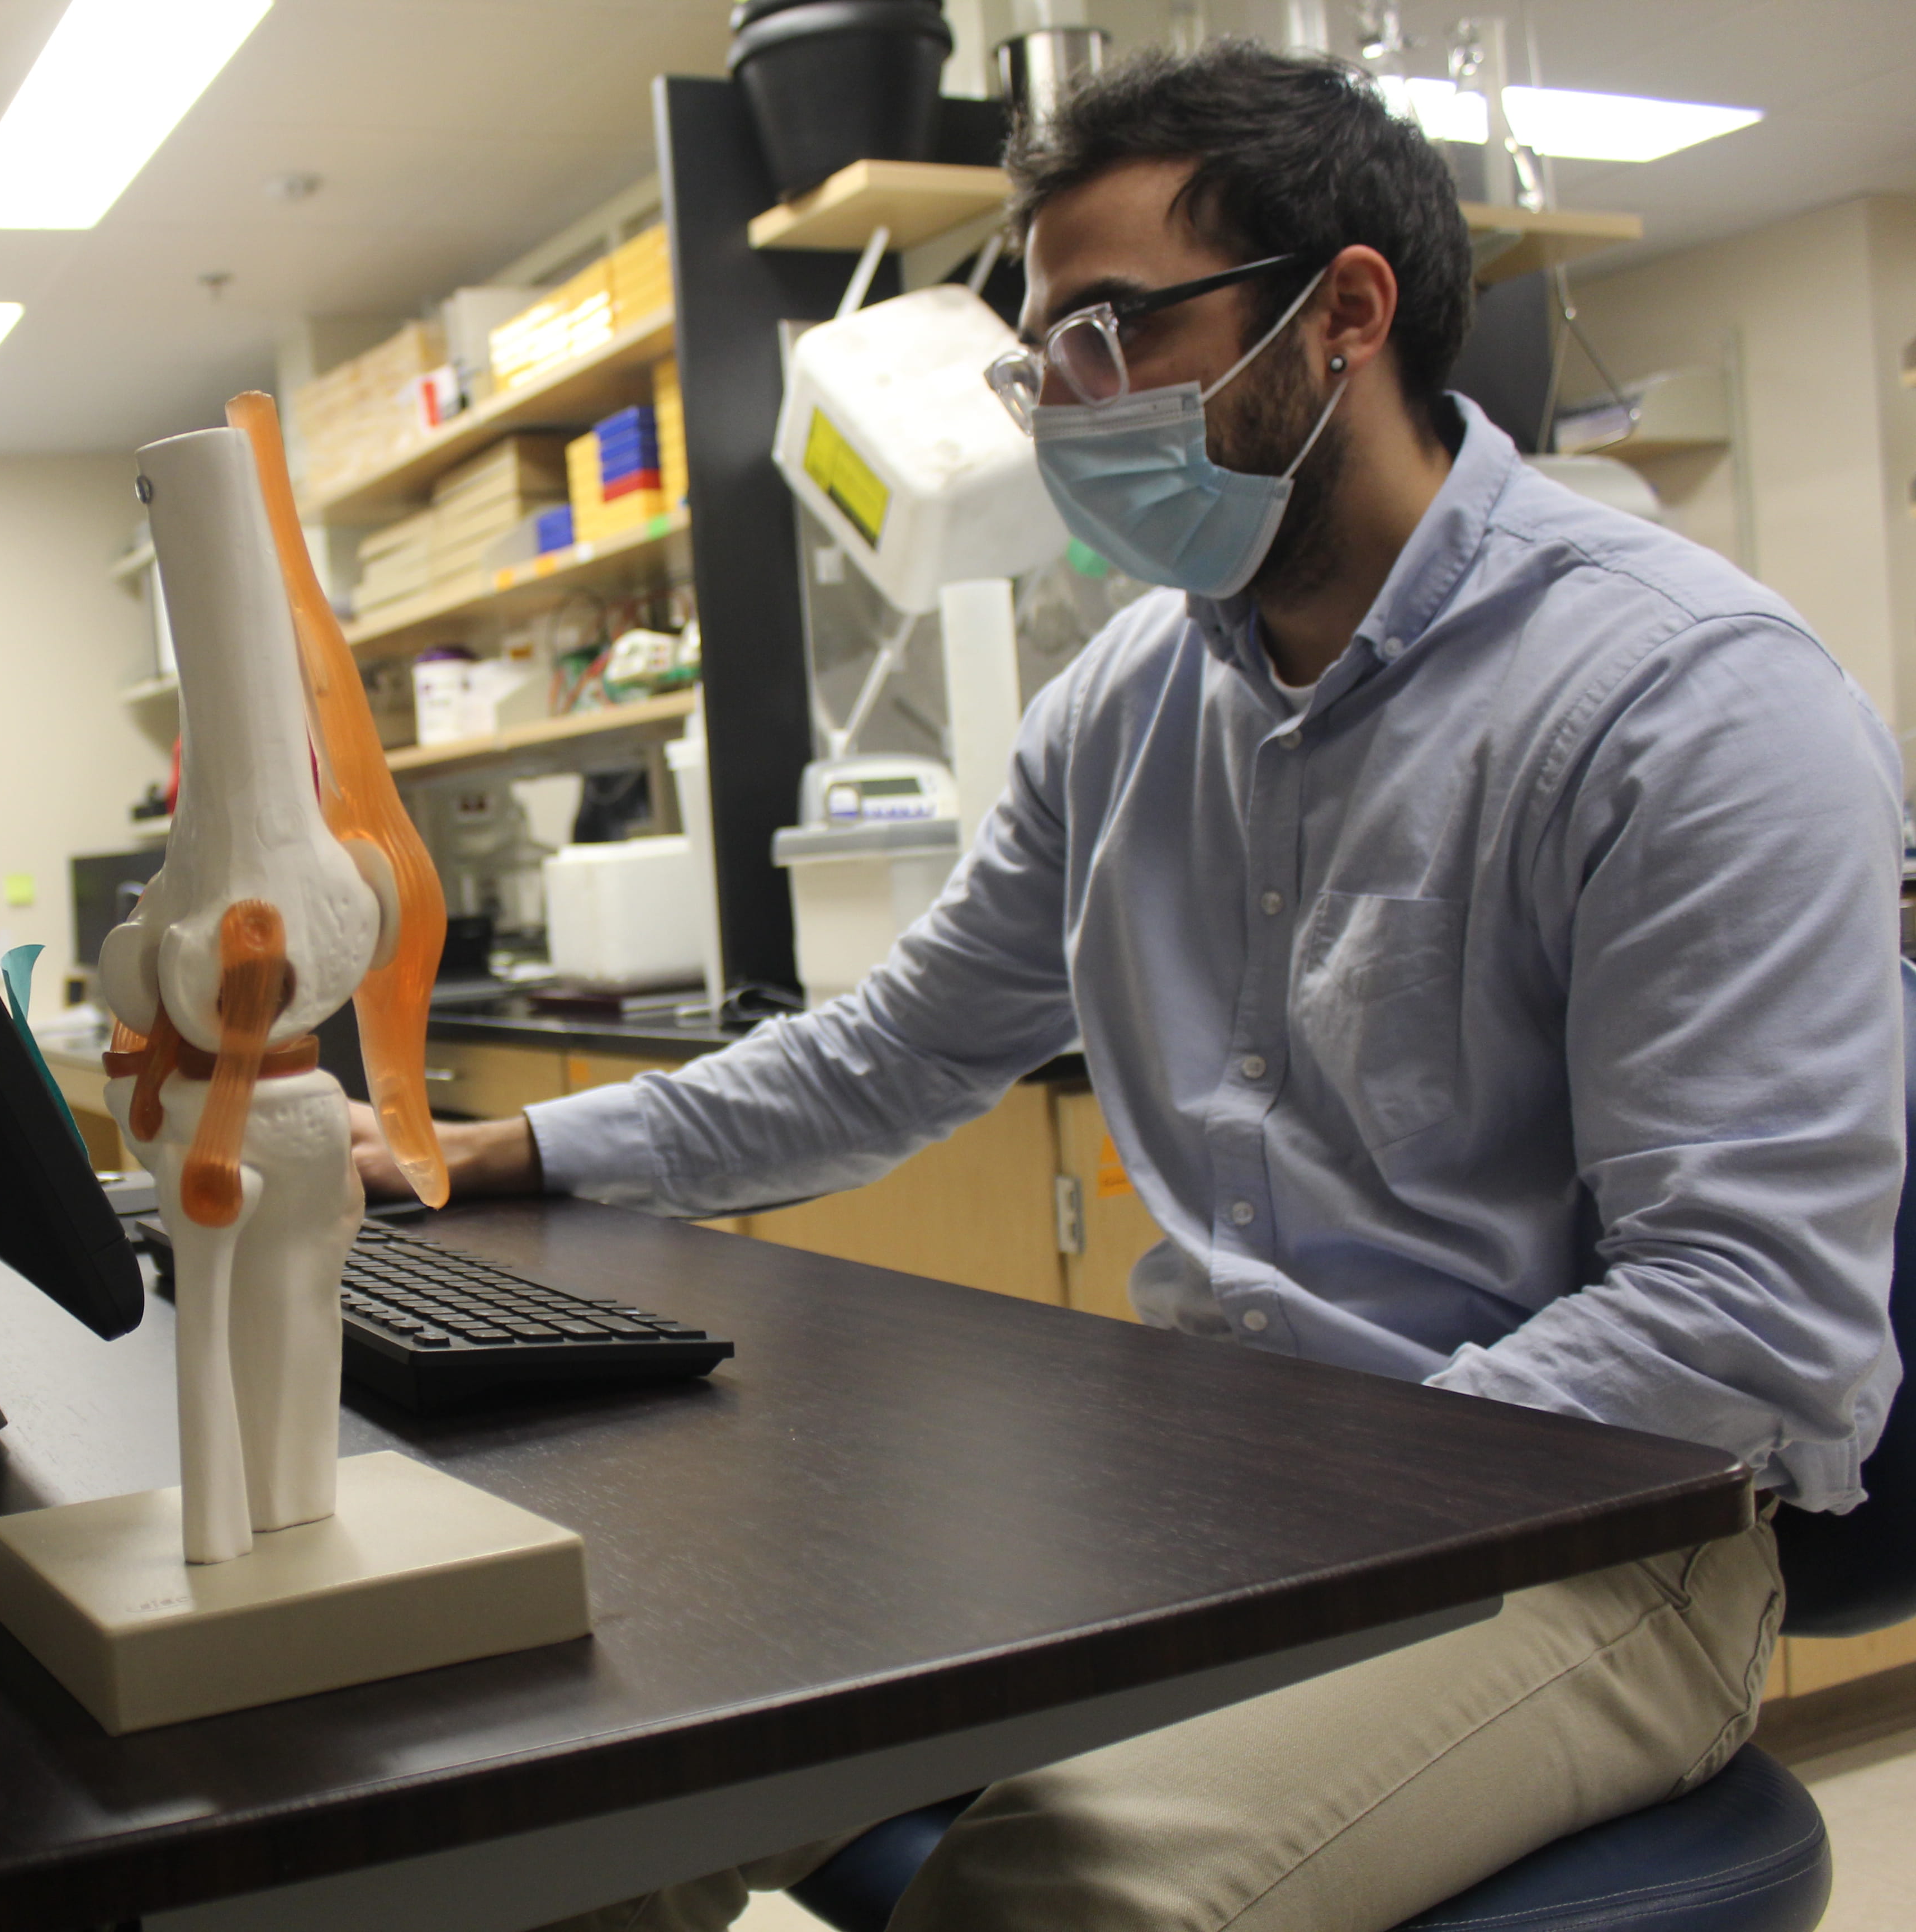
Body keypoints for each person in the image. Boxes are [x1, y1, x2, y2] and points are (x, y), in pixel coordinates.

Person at [351, 42, 1906, 1932]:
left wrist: (1267, 1515)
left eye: (1107, 337)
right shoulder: (1129, 711)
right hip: (1215, 1489)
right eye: (1039, 363)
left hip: (1600, 1535)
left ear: (1343, 314)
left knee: (1055, 1903)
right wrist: (495, 1151)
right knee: (575, 1781)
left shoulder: (1685, 700)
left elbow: (1740, 1315)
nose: (1060, 414)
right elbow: (895, 1054)